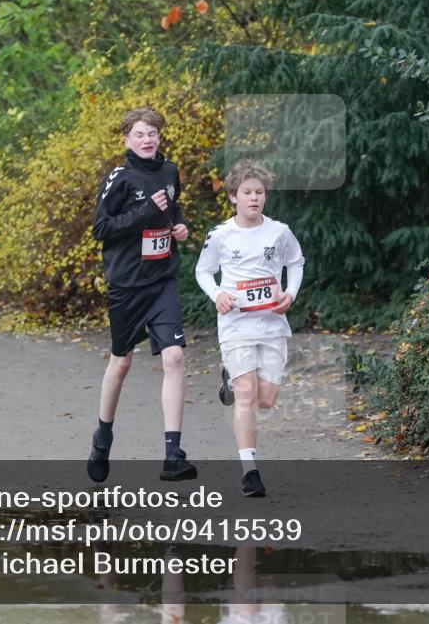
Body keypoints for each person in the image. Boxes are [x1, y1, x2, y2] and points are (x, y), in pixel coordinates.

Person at [88, 106, 196, 483]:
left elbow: (173, 209)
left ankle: (173, 454)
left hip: (161, 279)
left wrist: (179, 225)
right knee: (122, 363)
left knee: (175, 357)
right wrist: (146, 211)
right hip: (127, 284)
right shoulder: (119, 177)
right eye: (139, 134)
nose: (147, 139)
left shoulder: (169, 172)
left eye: (152, 133)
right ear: (127, 140)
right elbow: (101, 228)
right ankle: (103, 437)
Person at [195, 160, 305, 496]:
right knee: (246, 395)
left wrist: (290, 293)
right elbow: (203, 271)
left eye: (259, 192)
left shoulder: (279, 231)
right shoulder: (221, 235)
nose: (254, 198)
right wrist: (218, 295)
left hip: (272, 324)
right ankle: (250, 471)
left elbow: (295, 262)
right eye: (247, 192)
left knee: (266, 400)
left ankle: (229, 379)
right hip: (236, 325)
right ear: (233, 197)